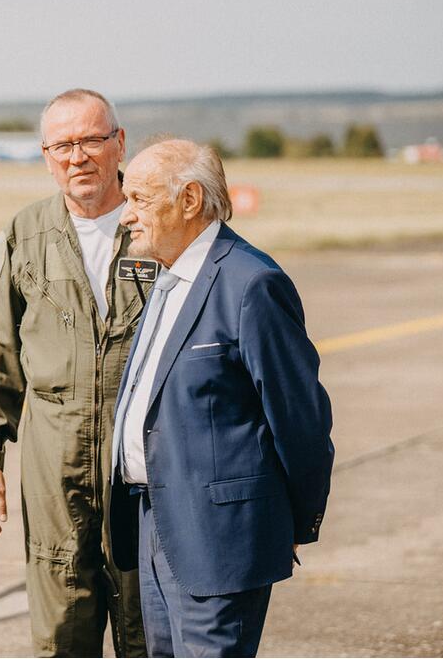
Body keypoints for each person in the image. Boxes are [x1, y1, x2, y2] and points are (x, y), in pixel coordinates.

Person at [109, 139, 334, 657]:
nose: (125, 216)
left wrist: (294, 522)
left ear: (189, 200)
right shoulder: (168, 278)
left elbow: (300, 421)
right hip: (153, 523)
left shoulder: (251, 283)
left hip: (220, 538)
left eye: (139, 199)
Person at [0, 88, 148, 656]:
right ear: (46, 156)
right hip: (54, 466)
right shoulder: (24, 234)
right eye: (63, 145)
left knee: (150, 630)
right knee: (61, 630)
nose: (79, 157)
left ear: (119, 144)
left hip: (145, 467)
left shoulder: (158, 226)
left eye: (92, 140)